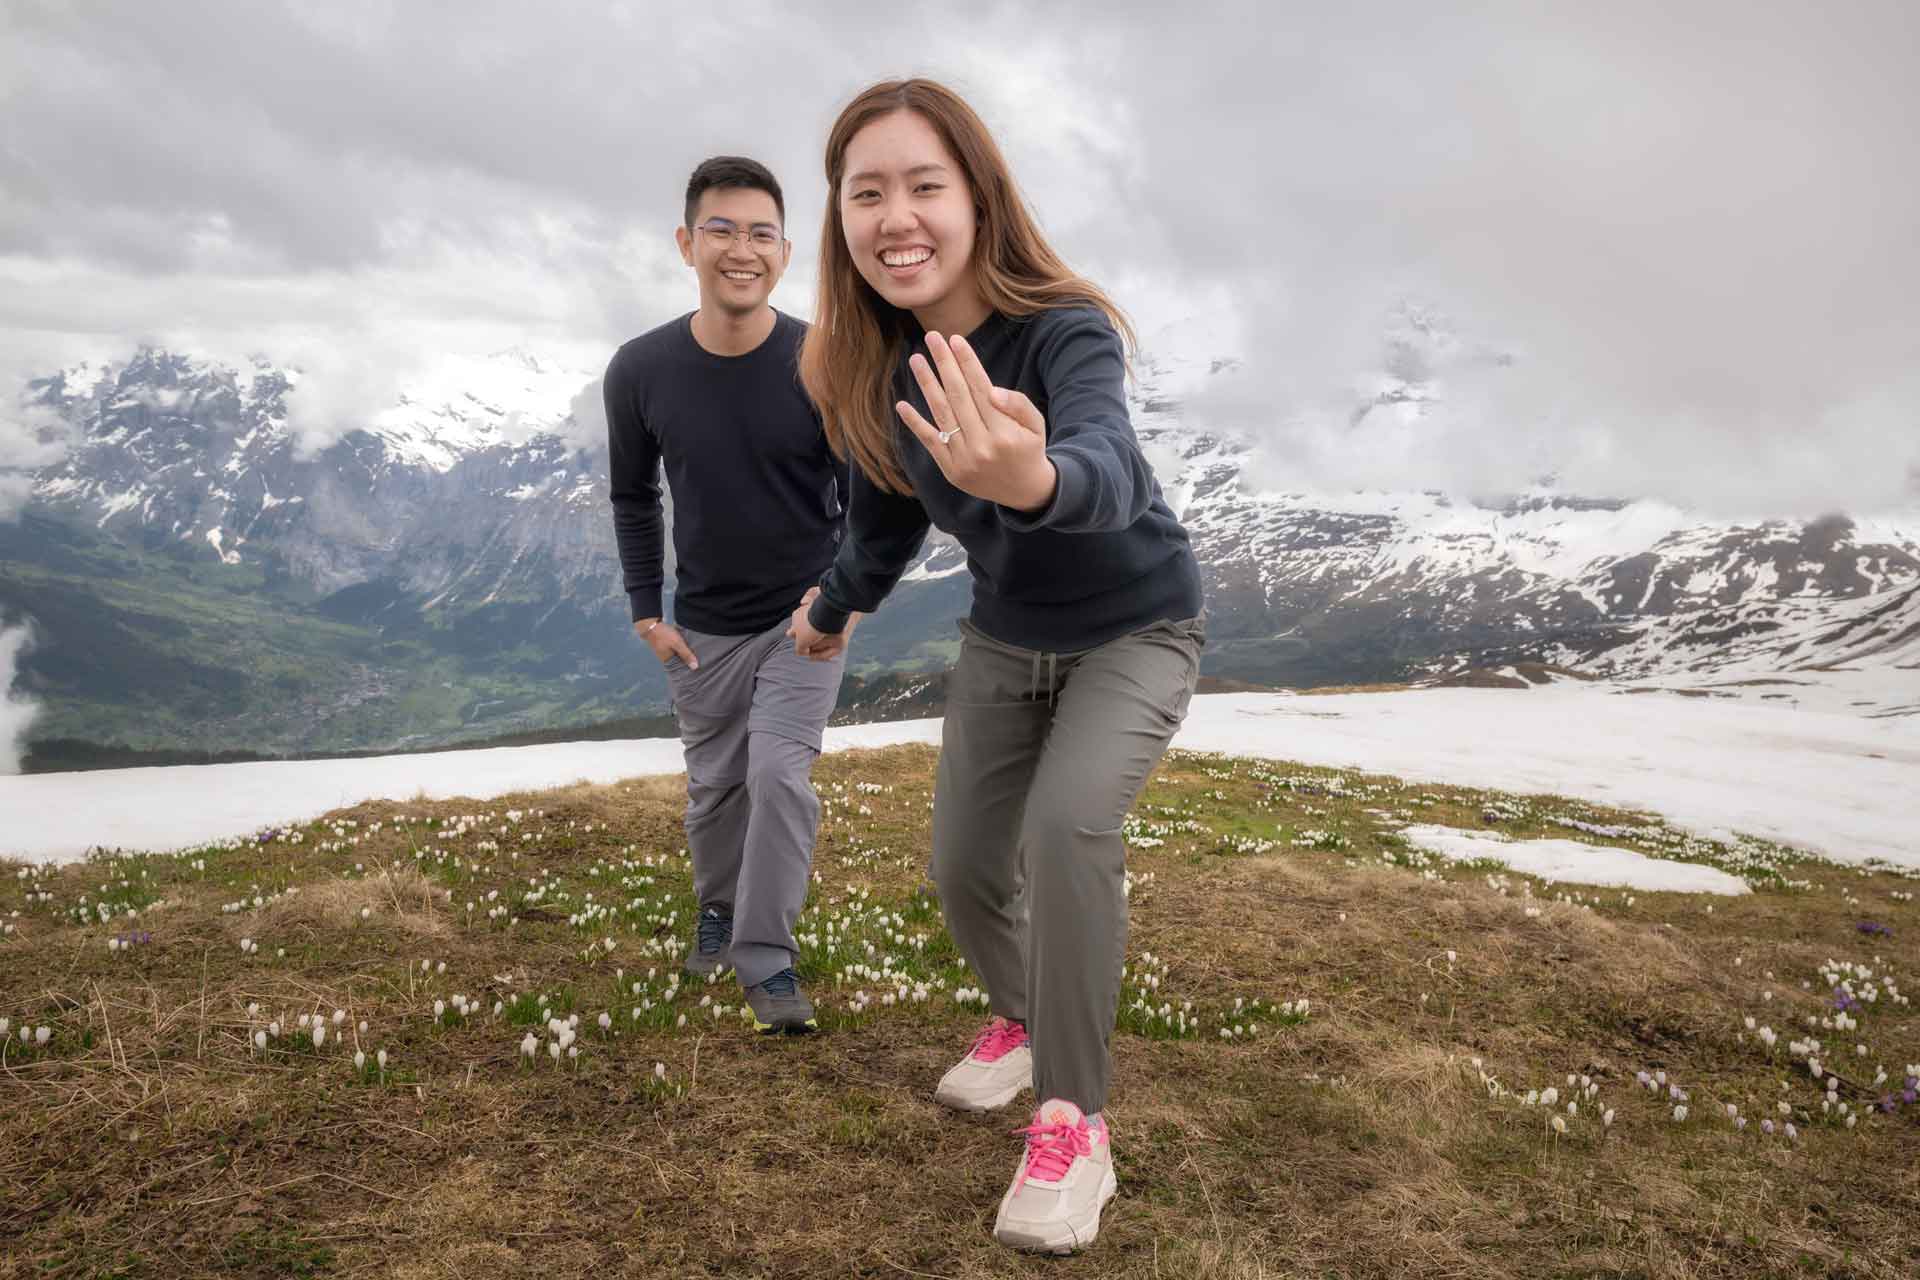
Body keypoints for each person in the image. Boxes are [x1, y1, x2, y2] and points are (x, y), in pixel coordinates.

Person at [788, 80, 1205, 1253]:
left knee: (1067, 830)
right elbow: (880, 519)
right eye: (867, 192)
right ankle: (1021, 1016)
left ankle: (1075, 1119)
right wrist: (831, 609)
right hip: (1005, 636)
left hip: (1136, 626)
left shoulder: (1062, 324)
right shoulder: (866, 362)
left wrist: (1035, 478)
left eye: (926, 184)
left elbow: (1106, 462)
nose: (896, 215)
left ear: (978, 197)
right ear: (842, 218)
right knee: (968, 867)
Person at [605, 155, 848, 1035]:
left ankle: (766, 959)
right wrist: (646, 611)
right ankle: (716, 904)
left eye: (760, 234)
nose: (740, 249)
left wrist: (840, 602)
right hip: (701, 627)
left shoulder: (827, 359)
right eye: (721, 229)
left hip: (803, 620)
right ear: (686, 243)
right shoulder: (640, 370)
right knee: (717, 791)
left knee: (780, 779)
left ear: (784, 253)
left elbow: (867, 493)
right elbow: (633, 495)